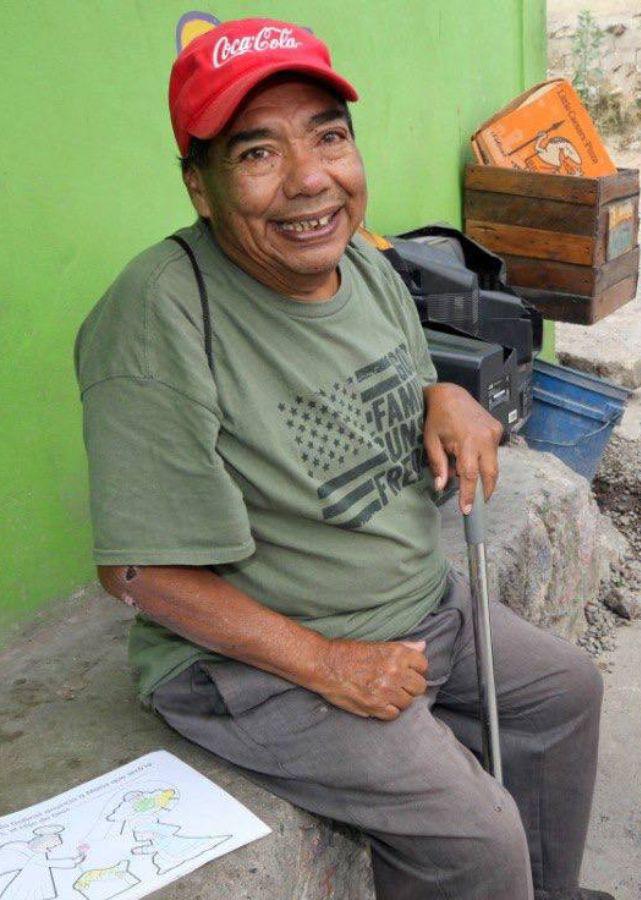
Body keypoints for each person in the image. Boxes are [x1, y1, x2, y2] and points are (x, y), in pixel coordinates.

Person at [74, 18, 612, 900]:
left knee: (564, 695)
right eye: (258, 154)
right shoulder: (159, 318)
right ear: (200, 188)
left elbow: (391, 371)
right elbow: (140, 573)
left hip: (413, 608)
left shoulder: (355, 261)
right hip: (264, 663)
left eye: (328, 136)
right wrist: (330, 665)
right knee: (478, 835)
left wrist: (444, 394)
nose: (310, 179)